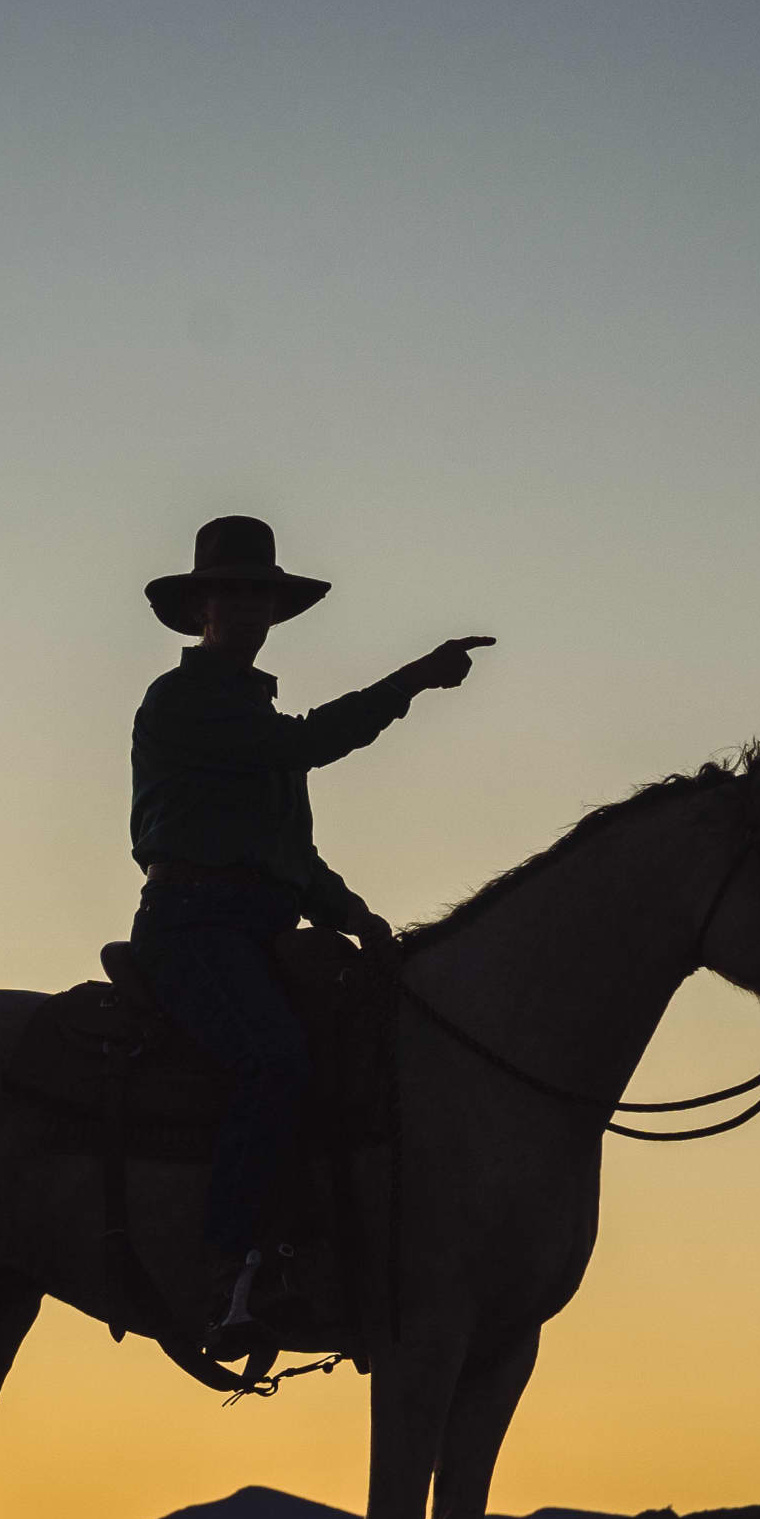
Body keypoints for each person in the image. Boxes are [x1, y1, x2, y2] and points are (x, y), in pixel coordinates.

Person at [128, 515, 490, 1356]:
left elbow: (290, 856)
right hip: (192, 928)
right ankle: (226, 1271)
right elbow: (314, 743)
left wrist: (357, 917)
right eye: (234, 593)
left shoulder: (253, 716)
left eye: (261, 594)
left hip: (257, 928)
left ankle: (320, 1257)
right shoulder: (184, 701)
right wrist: (415, 679)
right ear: (203, 607)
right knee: (274, 1060)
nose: (250, 608)